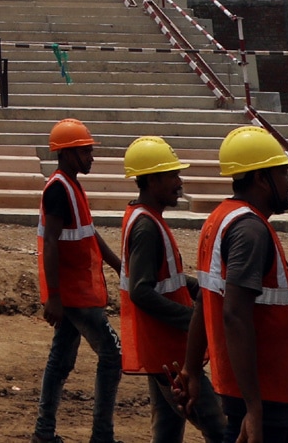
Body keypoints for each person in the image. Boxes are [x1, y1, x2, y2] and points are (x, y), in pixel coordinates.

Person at [184, 126, 288, 443]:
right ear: (261, 179)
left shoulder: (220, 218)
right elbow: (234, 315)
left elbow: (203, 301)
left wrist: (192, 369)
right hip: (265, 394)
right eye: (283, 174)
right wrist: (254, 408)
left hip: (255, 391)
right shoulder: (250, 230)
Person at [33, 119, 122, 443]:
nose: (91, 157)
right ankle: (102, 435)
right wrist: (54, 296)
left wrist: (116, 264)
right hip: (74, 295)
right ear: (69, 154)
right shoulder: (58, 189)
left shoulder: (70, 186)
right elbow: (51, 242)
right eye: (86, 151)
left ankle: (44, 432)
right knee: (113, 356)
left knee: (61, 359)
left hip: (74, 291)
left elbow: (87, 232)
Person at [119, 136, 196, 443]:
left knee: (167, 429)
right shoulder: (146, 226)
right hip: (167, 347)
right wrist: (191, 319)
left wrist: (200, 288)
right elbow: (141, 290)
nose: (179, 181)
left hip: (163, 347)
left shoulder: (147, 218)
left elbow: (169, 278)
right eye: (172, 175)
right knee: (219, 426)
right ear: (152, 181)